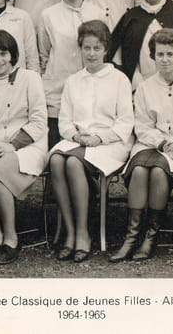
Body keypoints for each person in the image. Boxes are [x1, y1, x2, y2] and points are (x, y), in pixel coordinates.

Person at [110, 29, 173, 262]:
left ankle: (151, 236)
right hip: (151, 144)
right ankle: (131, 236)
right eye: (159, 54)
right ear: (153, 56)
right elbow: (142, 127)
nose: (164, 59)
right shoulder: (145, 87)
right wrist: (163, 143)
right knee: (139, 169)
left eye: (170, 54)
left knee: (157, 171)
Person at [49, 20, 134, 262]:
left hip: (110, 143)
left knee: (72, 163)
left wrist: (99, 138)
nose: (92, 53)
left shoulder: (119, 79)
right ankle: (70, 231)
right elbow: (65, 122)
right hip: (78, 141)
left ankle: (83, 233)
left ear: (106, 49)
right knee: (56, 160)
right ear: (80, 48)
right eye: (87, 48)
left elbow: (125, 122)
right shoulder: (73, 81)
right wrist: (75, 136)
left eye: (97, 48)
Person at [0, 31, 48, 265]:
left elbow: (38, 121)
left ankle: (11, 238)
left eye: (3, 53)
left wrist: (11, 145)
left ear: (13, 55)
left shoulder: (30, 79)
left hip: (28, 145)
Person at [37, 0, 105, 148]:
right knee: (56, 147)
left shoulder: (97, 14)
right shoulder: (48, 15)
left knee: (84, 147)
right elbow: (44, 54)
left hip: (89, 90)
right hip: (56, 90)